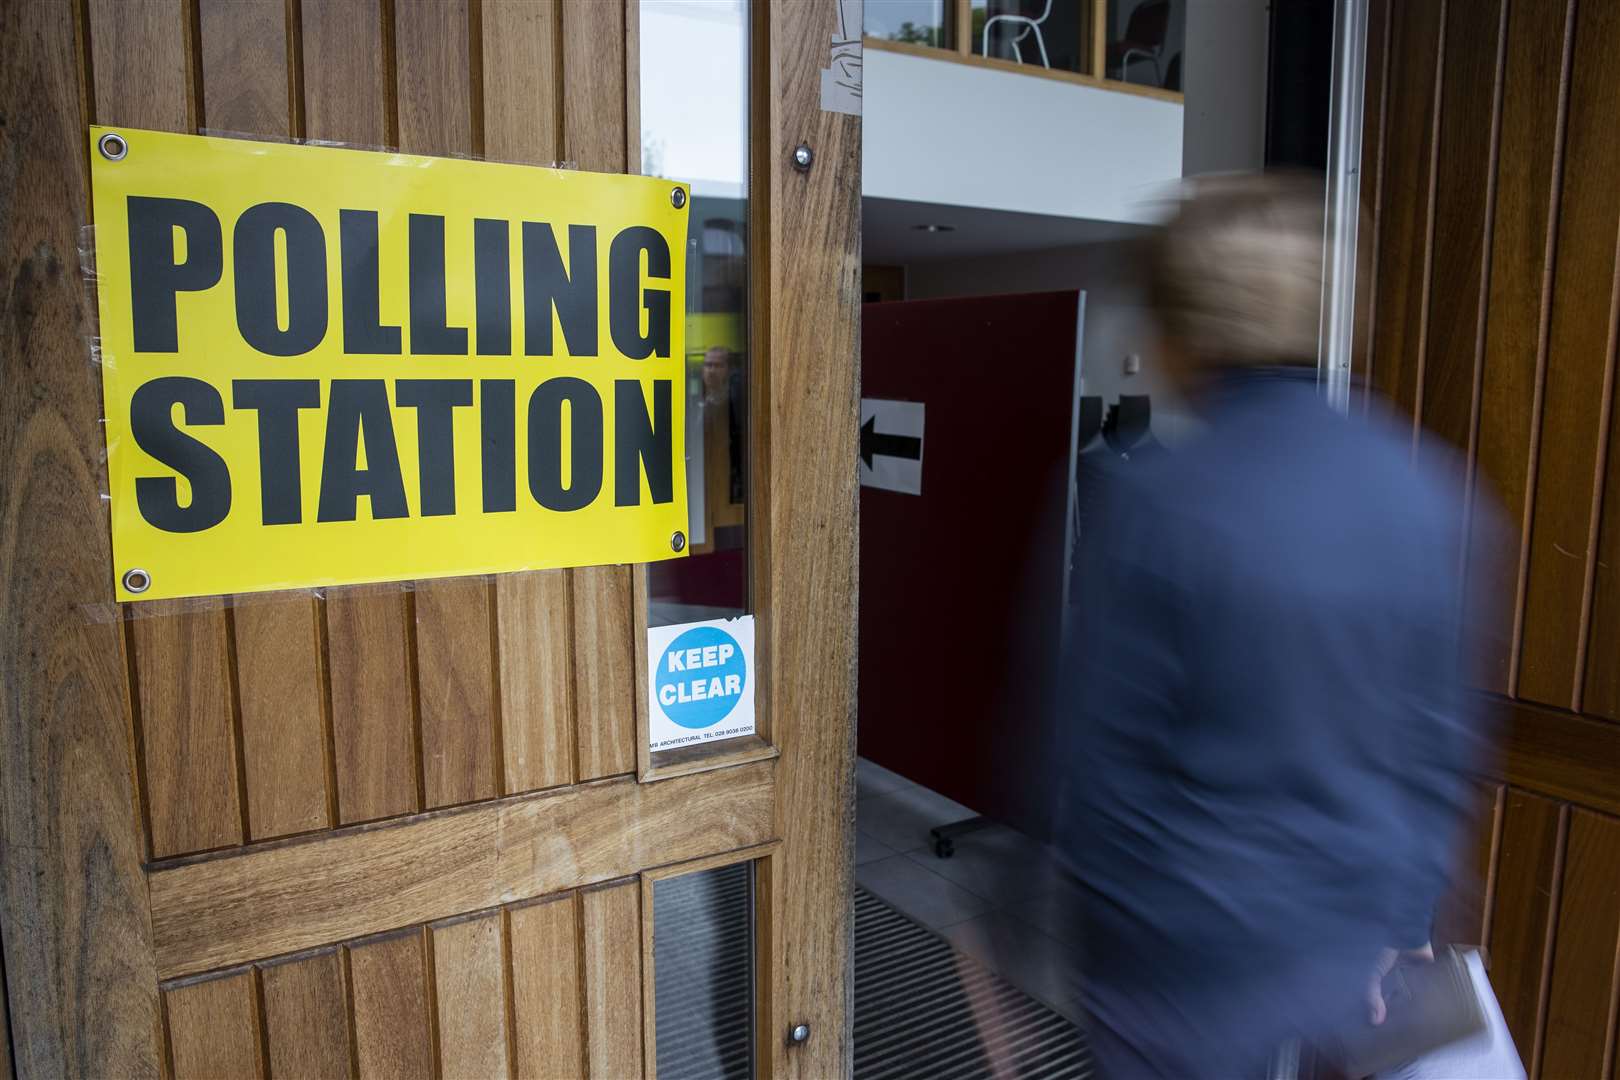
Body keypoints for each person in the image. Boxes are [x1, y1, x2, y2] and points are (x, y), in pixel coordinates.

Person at [1053, 174, 1495, 1077]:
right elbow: (1438, 744)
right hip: (1343, 941)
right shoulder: (1433, 495)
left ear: (1181, 334)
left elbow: (1097, 760)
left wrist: (1089, 953)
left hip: (1181, 967)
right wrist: (1403, 919)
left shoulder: (1153, 501)